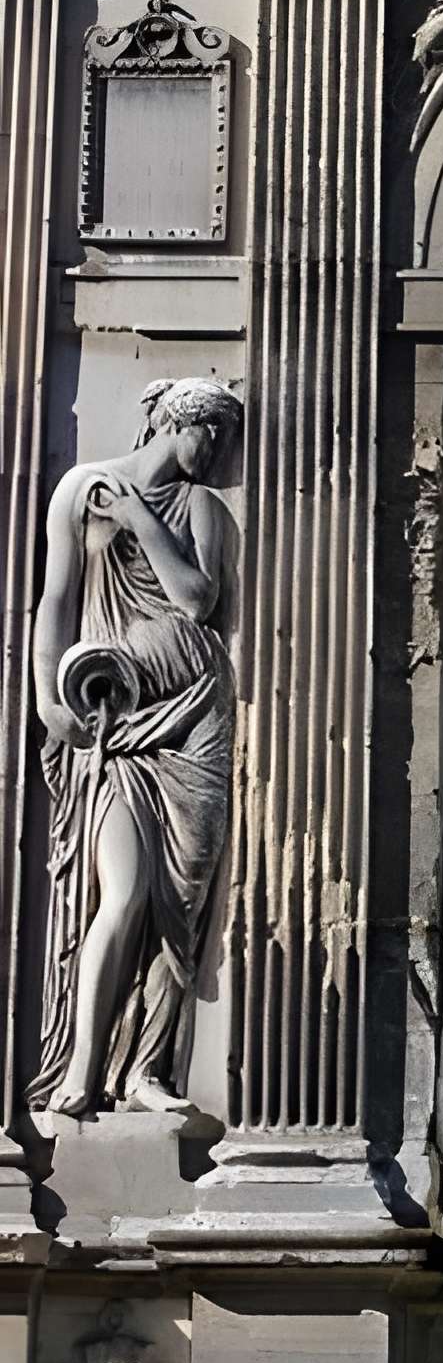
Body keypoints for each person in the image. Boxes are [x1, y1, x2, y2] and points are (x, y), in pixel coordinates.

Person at [29, 378, 241, 1120]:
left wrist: (141, 518)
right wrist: (46, 701)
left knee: (180, 908)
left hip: (197, 725)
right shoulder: (80, 490)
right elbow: (54, 600)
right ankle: (83, 1070)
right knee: (122, 894)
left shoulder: (203, 509)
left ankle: (146, 1069)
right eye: (213, 433)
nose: (218, 453)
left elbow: (195, 599)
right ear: (182, 422)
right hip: (117, 721)